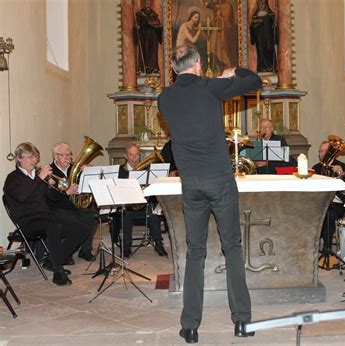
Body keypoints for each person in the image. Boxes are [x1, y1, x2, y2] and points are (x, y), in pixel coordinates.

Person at [157, 43, 261, 343]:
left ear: (175, 70)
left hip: (191, 184)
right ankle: (241, 321)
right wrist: (231, 74)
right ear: (199, 63)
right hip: (220, 181)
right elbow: (254, 80)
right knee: (233, 248)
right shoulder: (209, 87)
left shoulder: (165, 98)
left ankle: (190, 326)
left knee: (195, 253)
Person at [3, 143, 86, 286]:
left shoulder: (38, 177)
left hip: (46, 216)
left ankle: (51, 261)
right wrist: (39, 179)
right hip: (28, 222)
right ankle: (58, 272)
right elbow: (22, 196)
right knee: (53, 226)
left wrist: (59, 189)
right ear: (18, 159)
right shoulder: (13, 178)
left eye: (35, 157)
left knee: (81, 228)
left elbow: (51, 199)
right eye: (29, 157)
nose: (34, 161)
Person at [113, 143, 168, 258]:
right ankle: (127, 246)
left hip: (143, 204)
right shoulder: (120, 171)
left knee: (153, 210)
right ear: (126, 156)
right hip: (128, 205)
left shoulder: (146, 170)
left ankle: (158, 242)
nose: (134, 158)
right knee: (126, 213)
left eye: (137, 155)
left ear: (140, 156)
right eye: (131, 155)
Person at [47, 142, 98, 262]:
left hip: (74, 206)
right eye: (64, 155)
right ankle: (67, 253)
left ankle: (85, 250)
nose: (68, 158)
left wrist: (88, 172)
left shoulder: (73, 168)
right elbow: (50, 197)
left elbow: (86, 187)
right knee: (73, 219)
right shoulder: (50, 172)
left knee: (92, 216)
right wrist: (67, 193)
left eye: (69, 155)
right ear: (55, 157)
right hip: (58, 208)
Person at [312, 140, 345, 258]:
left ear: (331, 153)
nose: (322, 153)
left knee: (328, 215)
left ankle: (327, 248)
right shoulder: (316, 167)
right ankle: (311, 245)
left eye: (325, 151)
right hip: (319, 203)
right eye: (320, 151)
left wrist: (341, 174)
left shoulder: (342, 166)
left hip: (337, 204)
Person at [201, 0, 238, 73]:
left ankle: (228, 67)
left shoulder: (227, 6)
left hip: (224, 33)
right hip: (216, 31)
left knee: (223, 49)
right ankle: (219, 69)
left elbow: (228, 22)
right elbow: (207, 4)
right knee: (213, 47)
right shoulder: (216, 6)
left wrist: (220, 16)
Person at [134, 0, 163, 74]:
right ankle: (144, 67)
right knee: (145, 51)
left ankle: (153, 67)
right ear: (144, 4)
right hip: (144, 37)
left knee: (153, 52)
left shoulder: (154, 15)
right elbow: (137, 25)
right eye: (146, 3)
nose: (148, 5)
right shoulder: (140, 14)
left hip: (153, 37)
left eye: (149, 3)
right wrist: (136, 27)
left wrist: (159, 27)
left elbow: (158, 24)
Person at [250, 0, 278, 73]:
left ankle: (271, 67)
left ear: (266, 4)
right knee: (261, 52)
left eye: (263, 3)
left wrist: (275, 26)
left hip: (269, 38)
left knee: (269, 50)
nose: (262, 5)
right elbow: (252, 28)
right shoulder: (255, 16)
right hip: (259, 38)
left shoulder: (271, 14)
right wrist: (255, 25)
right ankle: (262, 68)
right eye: (260, 3)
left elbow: (275, 27)